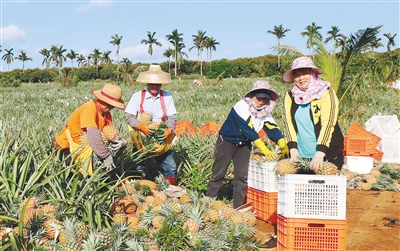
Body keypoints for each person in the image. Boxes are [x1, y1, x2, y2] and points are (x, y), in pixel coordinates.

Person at [206, 80, 289, 209]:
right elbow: (248, 130)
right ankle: (208, 204)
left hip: (244, 144)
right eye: (259, 97)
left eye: (265, 98)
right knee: (218, 174)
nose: (261, 101)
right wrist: (264, 148)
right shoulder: (241, 106)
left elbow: (271, 128)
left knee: (242, 177)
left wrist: (282, 141)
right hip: (227, 141)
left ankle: (238, 208)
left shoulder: (265, 111)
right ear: (253, 95)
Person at [282, 56, 344, 172]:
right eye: (297, 74)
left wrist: (320, 152)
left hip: (326, 154)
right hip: (301, 156)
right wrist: (293, 149)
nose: (301, 77)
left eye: (305, 72)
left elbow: (328, 123)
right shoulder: (291, 96)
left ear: (312, 73)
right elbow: (288, 123)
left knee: (326, 189)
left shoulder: (326, 93)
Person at [52, 83, 127, 176]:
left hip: (85, 148)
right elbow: (93, 135)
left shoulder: (107, 114)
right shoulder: (89, 108)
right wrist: (106, 156)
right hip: (67, 147)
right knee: (71, 176)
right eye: (108, 103)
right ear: (100, 98)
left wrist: (120, 140)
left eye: (112, 105)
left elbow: (108, 132)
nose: (110, 107)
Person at [125, 65, 178, 185]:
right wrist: (140, 126)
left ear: (161, 84)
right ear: (147, 83)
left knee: (171, 167)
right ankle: (140, 190)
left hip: (161, 138)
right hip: (142, 138)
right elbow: (129, 117)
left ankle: (168, 190)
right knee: (138, 168)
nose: (155, 87)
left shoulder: (167, 96)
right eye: (152, 84)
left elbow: (172, 117)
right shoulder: (137, 96)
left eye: (158, 84)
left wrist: (169, 130)